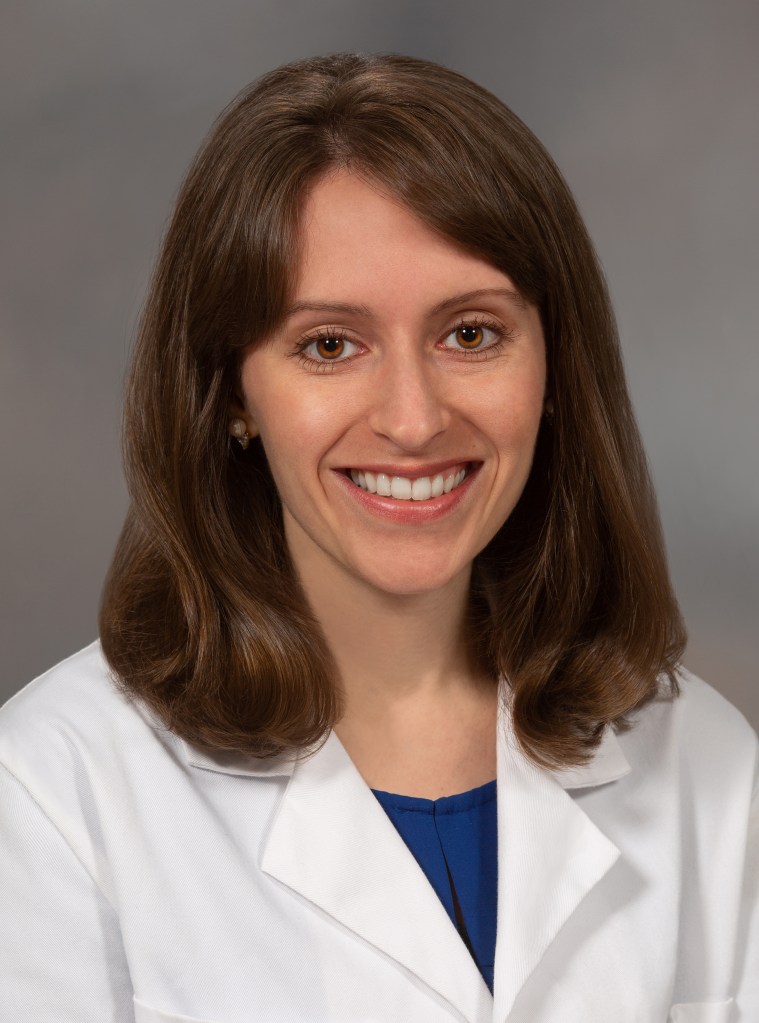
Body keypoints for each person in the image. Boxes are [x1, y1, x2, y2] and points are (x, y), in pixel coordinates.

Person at [0, 53, 756, 1023]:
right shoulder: (56, 794)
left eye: (471, 334)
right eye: (329, 345)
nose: (412, 419)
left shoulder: (704, 766)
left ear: (555, 369)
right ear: (232, 395)